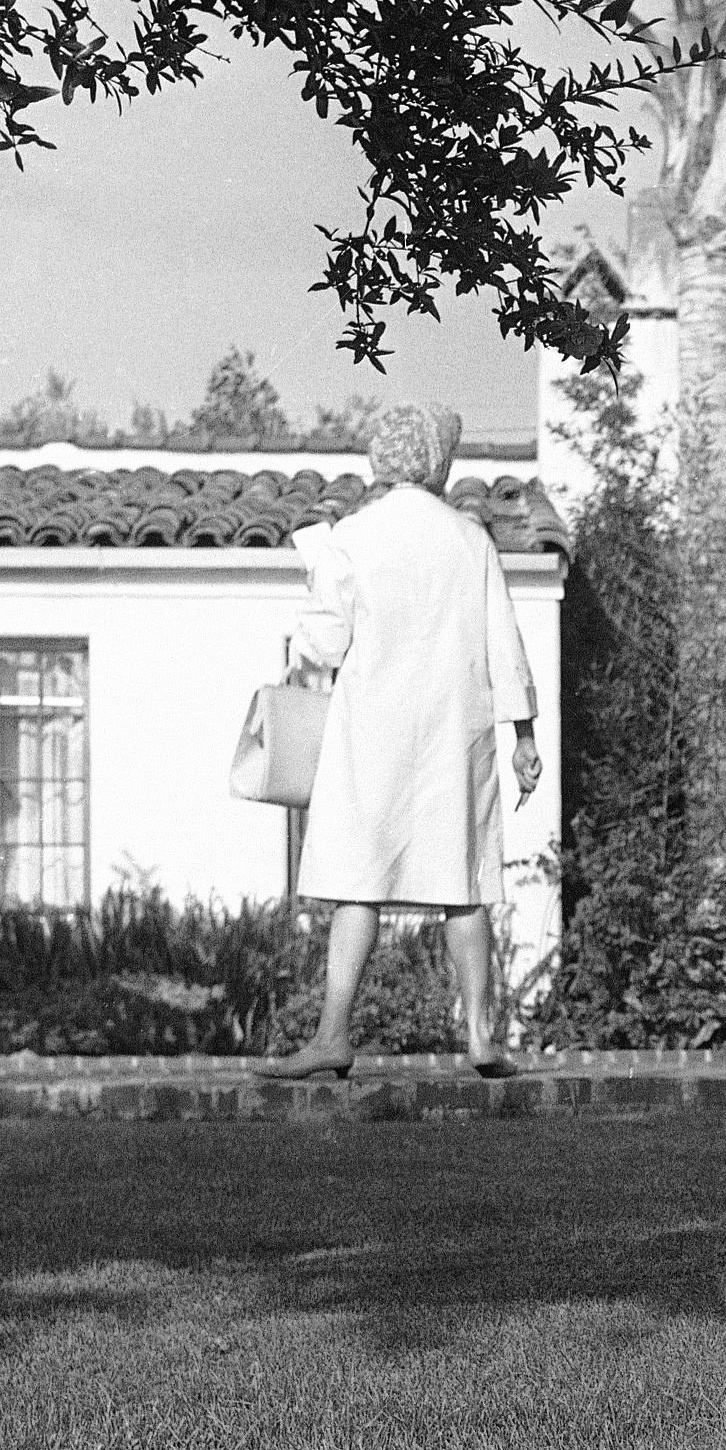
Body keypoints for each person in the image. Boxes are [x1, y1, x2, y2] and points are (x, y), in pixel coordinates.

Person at [258, 405, 542, 1080]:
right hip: (456, 728)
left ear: (381, 458)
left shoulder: (350, 537)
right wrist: (523, 737)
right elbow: (504, 640)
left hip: (374, 733)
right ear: (440, 458)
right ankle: (478, 1036)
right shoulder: (470, 538)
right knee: (464, 881)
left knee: (359, 880)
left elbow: (323, 644)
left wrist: (313, 575)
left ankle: (332, 1034)